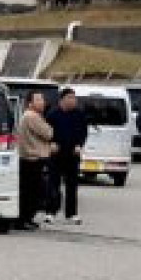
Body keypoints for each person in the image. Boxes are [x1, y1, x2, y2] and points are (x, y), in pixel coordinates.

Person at [43, 88, 88, 225]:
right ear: (62, 99)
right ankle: (51, 212)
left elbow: (83, 132)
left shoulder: (79, 114)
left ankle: (72, 213)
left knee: (72, 185)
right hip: (56, 154)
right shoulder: (52, 114)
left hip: (73, 154)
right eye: (70, 97)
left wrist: (79, 144)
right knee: (53, 184)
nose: (73, 100)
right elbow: (46, 132)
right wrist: (51, 143)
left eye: (74, 98)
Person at [15, 91, 55, 230]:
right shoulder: (32, 116)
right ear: (30, 103)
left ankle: (27, 218)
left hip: (29, 158)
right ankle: (24, 219)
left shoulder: (30, 116)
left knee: (31, 191)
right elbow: (49, 133)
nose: (42, 102)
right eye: (38, 100)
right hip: (32, 159)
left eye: (42, 99)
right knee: (31, 192)